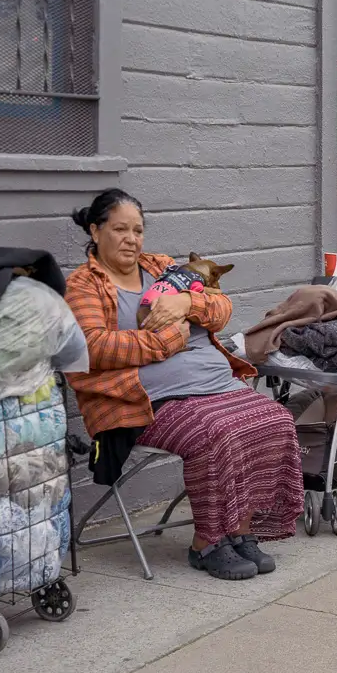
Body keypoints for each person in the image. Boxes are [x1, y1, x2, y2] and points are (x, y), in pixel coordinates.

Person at [64, 189, 303, 581]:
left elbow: (221, 309)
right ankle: (207, 542)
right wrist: (165, 342)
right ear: (95, 229)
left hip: (215, 383)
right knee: (214, 433)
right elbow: (91, 347)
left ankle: (240, 531)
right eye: (120, 229)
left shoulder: (160, 267)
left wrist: (186, 306)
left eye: (138, 230)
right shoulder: (84, 285)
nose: (131, 239)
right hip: (146, 400)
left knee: (274, 419)